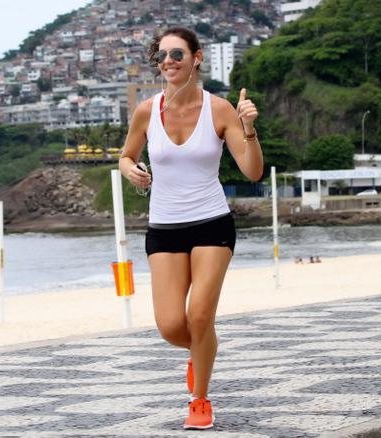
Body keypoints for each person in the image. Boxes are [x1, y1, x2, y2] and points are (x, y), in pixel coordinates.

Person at [119, 26, 263, 430]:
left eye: (177, 54)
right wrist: (132, 171)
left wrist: (248, 127)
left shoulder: (220, 110)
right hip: (164, 227)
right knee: (170, 326)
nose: (168, 61)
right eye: (161, 55)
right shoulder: (147, 111)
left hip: (211, 223)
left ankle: (199, 399)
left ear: (196, 58)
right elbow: (126, 156)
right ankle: (201, 355)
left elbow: (252, 171)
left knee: (199, 315)